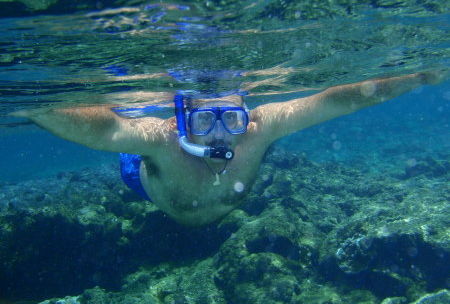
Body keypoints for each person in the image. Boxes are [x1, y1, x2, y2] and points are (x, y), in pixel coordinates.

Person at [12, 71, 446, 226]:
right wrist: (35, 104)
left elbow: (331, 100)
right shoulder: (162, 138)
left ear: (247, 112)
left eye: (232, 118)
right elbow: (105, 131)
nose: (221, 134)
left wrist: (414, 78)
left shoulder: (259, 128)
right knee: (130, 135)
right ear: (182, 120)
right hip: (145, 185)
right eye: (203, 120)